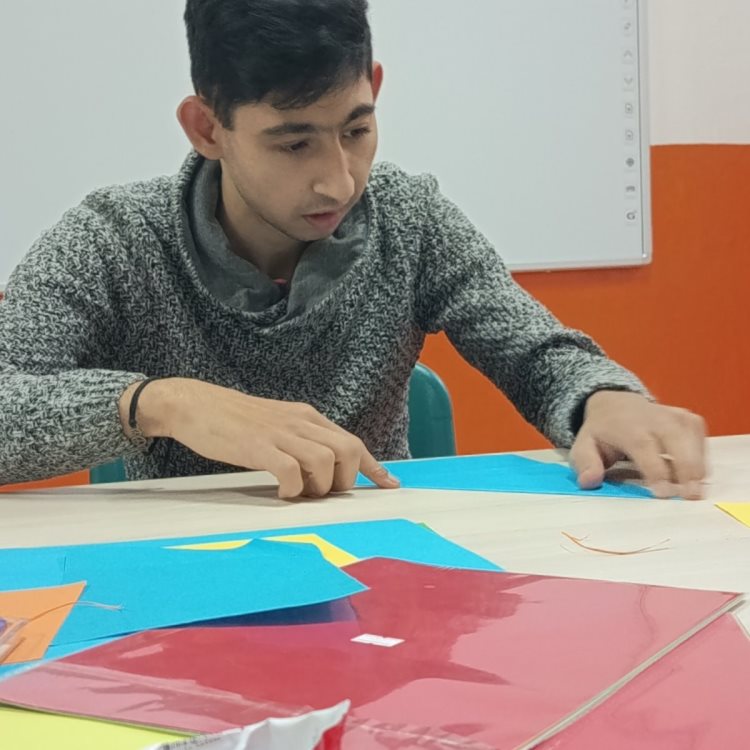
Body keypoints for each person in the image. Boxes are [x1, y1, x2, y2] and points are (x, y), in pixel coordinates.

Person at [0, 0, 706, 499]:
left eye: (356, 130)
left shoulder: (408, 217)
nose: (338, 180)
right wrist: (164, 402)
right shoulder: (115, 239)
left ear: (374, 89)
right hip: (183, 568)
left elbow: (534, 351)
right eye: (293, 143)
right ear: (207, 128)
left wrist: (601, 399)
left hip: (383, 565)